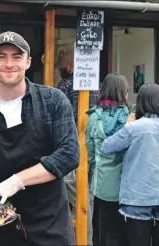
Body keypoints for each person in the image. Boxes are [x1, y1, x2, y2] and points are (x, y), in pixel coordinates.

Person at [0, 31, 80, 245]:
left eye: (16, 56)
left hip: (50, 226)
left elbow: (69, 154)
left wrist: (16, 182)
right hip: (4, 227)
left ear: (28, 62)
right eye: (1, 57)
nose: (9, 63)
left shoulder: (53, 102)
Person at [102, 83, 159, 246]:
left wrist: (126, 124)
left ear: (140, 102)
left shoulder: (133, 128)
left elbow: (107, 147)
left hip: (137, 198)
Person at [56, 48, 101, 245]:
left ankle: (76, 239)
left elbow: (55, 117)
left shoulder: (65, 84)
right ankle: (88, 239)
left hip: (69, 146)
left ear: (72, 65)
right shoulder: (98, 87)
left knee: (68, 194)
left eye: (63, 66)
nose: (62, 69)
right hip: (92, 148)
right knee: (87, 197)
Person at [85, 73, 130, 246]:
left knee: (102, 230)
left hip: (102, 183)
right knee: (122, 230)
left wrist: (95, 162)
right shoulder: (128, 117)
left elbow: (89, 149)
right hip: (125, 183)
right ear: (122, 93)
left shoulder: (94, 116)